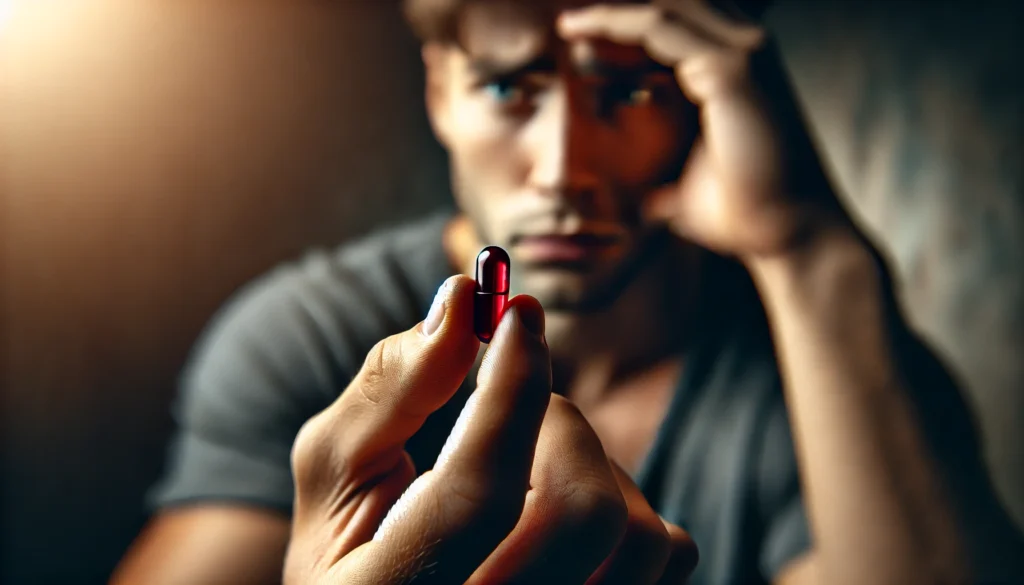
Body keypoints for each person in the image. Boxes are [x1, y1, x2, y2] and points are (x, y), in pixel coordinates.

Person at [110, 1, 1024, 584]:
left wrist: (808, 248)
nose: (564, 168)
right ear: (440, 94)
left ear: (705, 104)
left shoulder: (812, 359)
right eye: (511, 87)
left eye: (626, 92)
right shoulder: (305, 336)